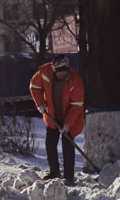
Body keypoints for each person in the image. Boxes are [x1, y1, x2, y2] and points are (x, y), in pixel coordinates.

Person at [30, 54, 85, 186]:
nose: (62, 74)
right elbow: (34, 86)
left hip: (70, 118)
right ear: (54, 70)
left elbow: (77, 105)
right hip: (52, 116)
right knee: (50, 145)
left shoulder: (75, 81)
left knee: (68, 146)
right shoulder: (45, 72)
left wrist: (68, 123)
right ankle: (54, 173)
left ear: (67, 68)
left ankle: (69, 177)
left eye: (64, 71)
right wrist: (40, 103)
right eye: (59, 72)